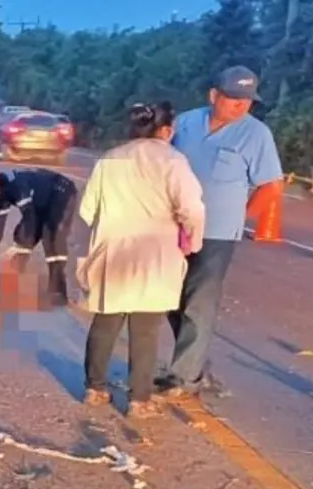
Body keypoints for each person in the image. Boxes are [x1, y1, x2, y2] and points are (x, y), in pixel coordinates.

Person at [157, 66, 284, 398]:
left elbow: (271, 186)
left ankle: (183, 377)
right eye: (233, 98)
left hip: (217, 233)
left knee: (199, 302)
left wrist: (239, 220)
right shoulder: (185, 123)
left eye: (247, 101)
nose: (240, 106)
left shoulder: (256, 135)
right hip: (175, 227)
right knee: (170, 299)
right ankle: (194, 367)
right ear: (213, 95)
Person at [77, 102, 206, 419]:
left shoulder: (111, 159)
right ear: (166, 130)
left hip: (114, 250)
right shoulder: (173, 161)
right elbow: (193, 209)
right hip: (156, 254)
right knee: (146, 329)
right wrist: (193, 241)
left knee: (105, 322)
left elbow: (87, 209)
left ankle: (94, 388)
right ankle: (139, 400)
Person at [0, 167, 78, 307]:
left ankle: (58, 293)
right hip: (40, 203)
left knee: (50, 237)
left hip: (61, 192)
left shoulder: (16, 186)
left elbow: (30, 218)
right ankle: (12, 283)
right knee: (22, 236)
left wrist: (20, 245)